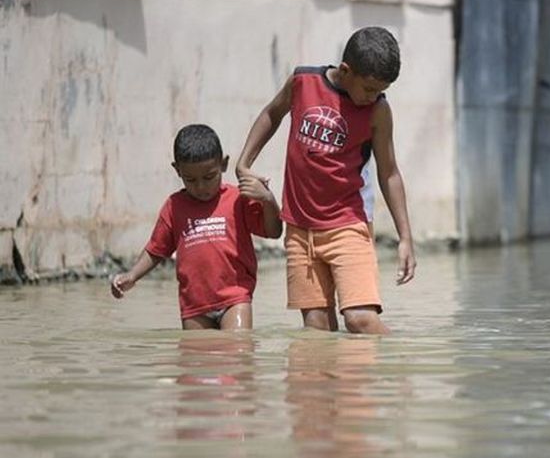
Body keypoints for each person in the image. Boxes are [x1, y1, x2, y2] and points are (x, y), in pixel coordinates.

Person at [236, 26, 415, 335]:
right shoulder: (302, 82)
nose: (374, 96)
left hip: (347, 225)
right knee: (317, 329)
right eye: (369, 88)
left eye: (381, 90)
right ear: (346, 70)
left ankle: (398, 368)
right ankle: (330, 385)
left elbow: (389, 173)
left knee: (360, 318)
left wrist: (405, 237)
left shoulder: (378, 110)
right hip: (299, 230)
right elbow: (272, 114)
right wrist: (244, 162)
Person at [110, 124, 283, 330]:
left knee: (239, 351)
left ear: (224, 164)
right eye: (191, 180)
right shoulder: (174, 207)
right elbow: (156, 250)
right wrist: (132, 275)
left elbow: (274, 231)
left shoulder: (238, 199)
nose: (201, 187)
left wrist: (268, 200)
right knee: (197, 359)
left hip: (235, 298)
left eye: (209, 177)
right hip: (194, 306)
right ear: (177, 170)